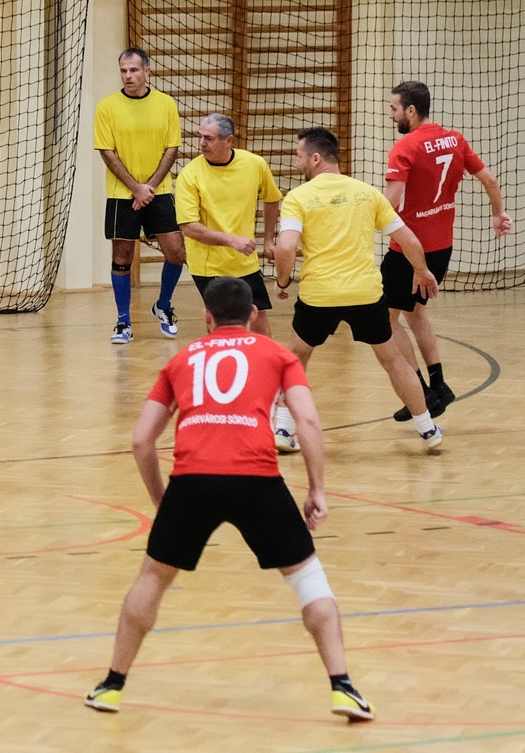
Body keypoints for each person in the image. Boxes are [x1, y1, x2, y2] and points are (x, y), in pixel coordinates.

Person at [83, 276, 374, 724]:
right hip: (257, 480)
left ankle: (112, 684)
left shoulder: (181, 359)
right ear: (253, 314)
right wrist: (317, 488)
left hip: (193, 481)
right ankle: (344, 689)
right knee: (308, 580)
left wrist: (163, 500)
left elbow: (141, 441)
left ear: (207, 317)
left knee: (152, 579)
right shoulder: (279, 355)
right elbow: (308, 423)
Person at [273, 127, 441, 451]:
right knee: (393, 360)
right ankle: (428, 429)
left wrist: (282, 281)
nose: (297, 162)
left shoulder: (298, 197)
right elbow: (409, 239)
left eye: (299, 156)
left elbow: (286, 247)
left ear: (316, 158)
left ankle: (283, 430)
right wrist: (422, 271)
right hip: (365, 294)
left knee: (295, 358)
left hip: (319, 295)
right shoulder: (367, 193)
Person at [381, 81, 512, 423]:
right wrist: (498, 214)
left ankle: (420, 393)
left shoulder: (405, 147)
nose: (391, 114)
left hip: (408, 250)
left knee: (385, 319)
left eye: (394, 108)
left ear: (411, 110)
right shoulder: (455, 140)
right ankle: (439, 385)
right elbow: (490, 180)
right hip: (442, 248)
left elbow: (390, 203)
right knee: (415, 313)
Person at [93, 47, 187, 345]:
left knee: (176, 252)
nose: (128, 75)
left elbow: (172, 148)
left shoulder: (166, 104)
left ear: (147, 71)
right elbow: (107, 152)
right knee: (122, 257)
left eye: (134, 70)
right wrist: (135, 187)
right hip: (122, 194)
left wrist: (149, 188)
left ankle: (164, 305)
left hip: (159, 192)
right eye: (123, 70)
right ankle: (123, 321)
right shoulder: (107, 106)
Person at [175, 113, 282, 336]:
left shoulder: (254, 164)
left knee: (259, 319)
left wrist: (269, 240)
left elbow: (272, 198)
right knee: (221, 325)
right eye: (200, 136)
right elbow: (189, 227)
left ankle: (264, 359)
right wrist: (232, 240)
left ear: (229, 141)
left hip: (244, 261)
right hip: (209, 266)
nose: (202, 143)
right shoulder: (190, 174)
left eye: (209, 138)